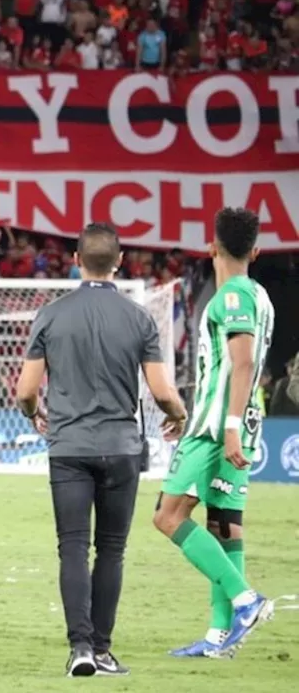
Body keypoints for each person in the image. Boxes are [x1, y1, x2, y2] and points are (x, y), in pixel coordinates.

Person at [15, 222, 187, 677]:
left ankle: (80, 649)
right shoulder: (139, 318)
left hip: (68, 446)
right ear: (119, 261)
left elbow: (26, 390)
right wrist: (179, 415)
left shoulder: (51, 314)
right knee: (111, 550)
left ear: (75, 261)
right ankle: (104, 649)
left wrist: (33, 412)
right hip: (120, 447)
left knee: (72, 547)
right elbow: (161, 391)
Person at [154, 208, 276, 659]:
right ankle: (219, 637)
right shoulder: (260, 295)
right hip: (237, 421)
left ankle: (246, 599)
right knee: (224, 525)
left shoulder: (232, 297)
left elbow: (241, 364)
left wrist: (223, 425)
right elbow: (230, 368)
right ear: (256, 250)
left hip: (218, 426)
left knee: (168, 516)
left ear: (212, 247)